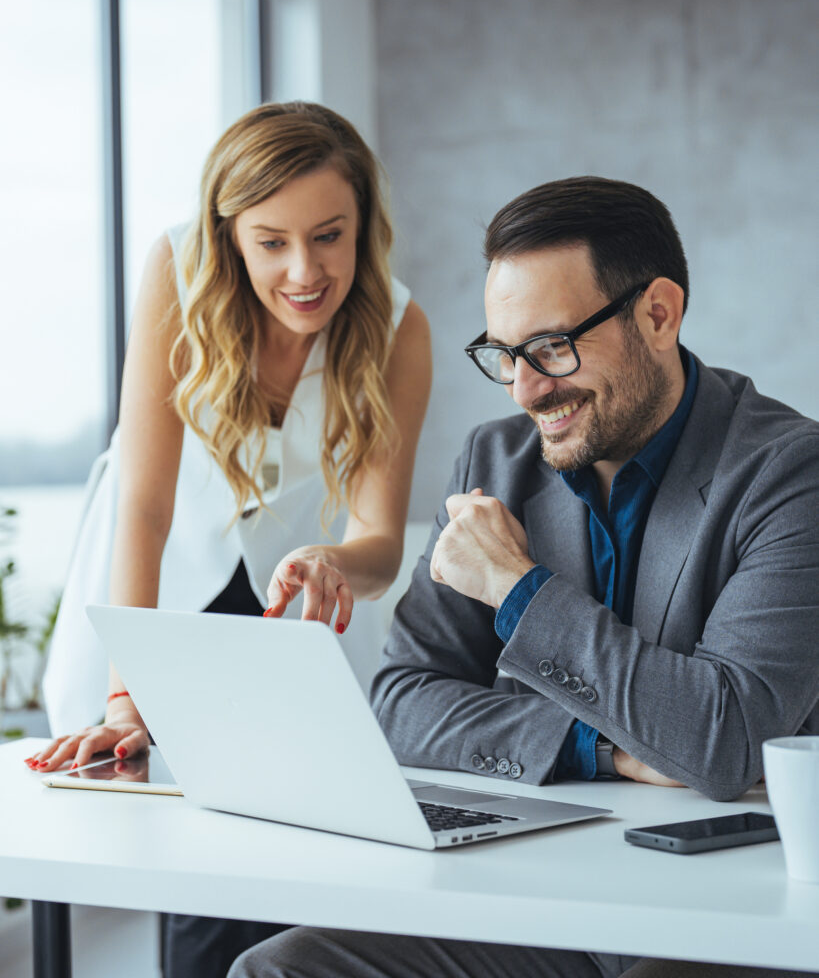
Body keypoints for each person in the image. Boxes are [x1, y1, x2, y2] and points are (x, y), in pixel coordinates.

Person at [227, 176, 819, 978]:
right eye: (502, 355)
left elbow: (724, 741)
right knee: (285, 968)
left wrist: (517, 587)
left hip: (725, 910)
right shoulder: (495, 462)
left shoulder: (788, 473)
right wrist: (597, 747)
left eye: (550, 347)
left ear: (658, 313)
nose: (525, 388)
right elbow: (401, 700)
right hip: (542, 898)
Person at [28, 101, 431, 977]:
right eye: (271, 241)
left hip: (289, 599)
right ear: (229, 234)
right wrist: (125, 697)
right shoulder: (176, 272)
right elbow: (146, 506)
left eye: (330, 235)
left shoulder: (399, 328)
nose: (304, 270)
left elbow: (380, 544)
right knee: (175, 856)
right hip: (152, 584)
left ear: (364, 223)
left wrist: (335, 560)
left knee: (281, 856)